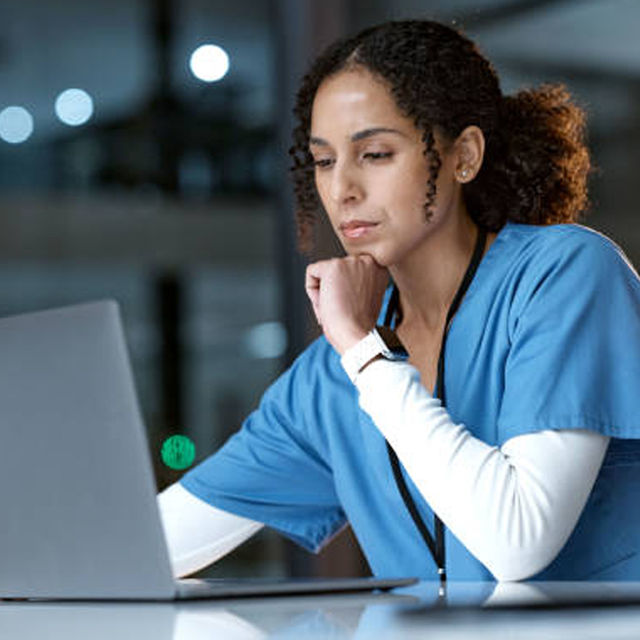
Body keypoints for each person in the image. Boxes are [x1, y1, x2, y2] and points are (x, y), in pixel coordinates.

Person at [158, 19, 640, 582]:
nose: (343, 190)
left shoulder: (563, 277)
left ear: (464, 155)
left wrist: (367, 354)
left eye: (376, 153)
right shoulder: (328, 380)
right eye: (324, 160)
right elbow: (147, 550)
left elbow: (517, 540)